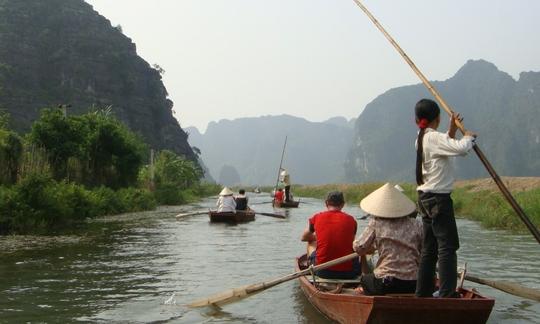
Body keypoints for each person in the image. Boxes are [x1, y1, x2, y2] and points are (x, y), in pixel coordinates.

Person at [414, 98, 476, 298]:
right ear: (437, 118)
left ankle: (422, 293)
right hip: (438, 200)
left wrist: (452, 131)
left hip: (425, 198)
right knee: (447, 247)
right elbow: (460, 149)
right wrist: (468, 137)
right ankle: (448, 295)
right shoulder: (432, 138)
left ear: (418, 120)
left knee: (429, 249)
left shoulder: (422, 137)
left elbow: (445, 146)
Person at [353, 183, 422, 296]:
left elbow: (359, 248)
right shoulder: (417, 224)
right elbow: (424, 251)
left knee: (365, 280)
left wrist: (355, 242)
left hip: (386, 283)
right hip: (413, 283)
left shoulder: (377, 223)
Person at [301, 191, 360, 279]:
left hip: (321, 271)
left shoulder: (317, 217)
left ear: (326, 203)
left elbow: (303, 238)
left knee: (311, 242)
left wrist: (316, 238)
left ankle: (310, 268)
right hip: (348, 273)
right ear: (343, 204)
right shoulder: (352, 220)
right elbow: (351, 244)